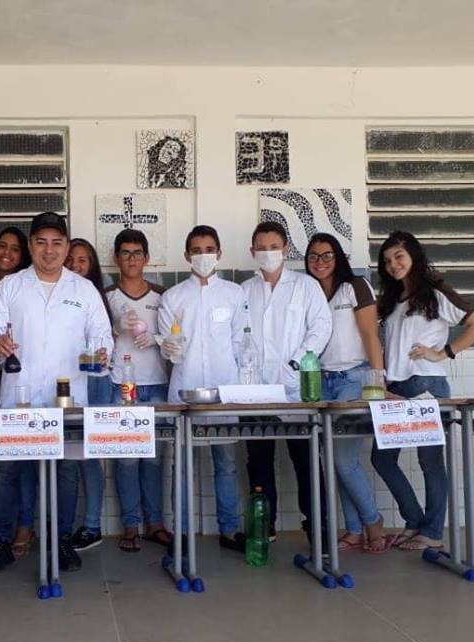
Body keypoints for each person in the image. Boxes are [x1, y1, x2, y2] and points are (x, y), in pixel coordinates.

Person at [0, 212, 113, 574]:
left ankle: (61, 541)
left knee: (66, 471)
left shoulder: (83, 290)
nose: (49, 250)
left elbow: (102, 335)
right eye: (41, 242)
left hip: (66, 398)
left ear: (66, 247)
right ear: (31, 245)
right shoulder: (11, 286)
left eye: (57, 243)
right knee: (8, 471)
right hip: (18, 397)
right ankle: (1, 541)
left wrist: (103, 352)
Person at [373, 230, 474, 551]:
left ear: (414, 255)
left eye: (399, 256)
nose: (394, 265)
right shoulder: (392, 299)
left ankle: (433, 532)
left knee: (431, 463)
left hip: (426, 384)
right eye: (387, 260)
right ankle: (414, 521)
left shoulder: (436, 293)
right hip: (396, 388)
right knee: (382, 460)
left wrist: (443, 353)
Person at [242, 221, 332, 547]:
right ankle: (265, 526)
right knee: (259, 462)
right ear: (253, 252)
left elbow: (321, 326)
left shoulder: (305, 286)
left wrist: (298, 361)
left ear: (286, 250)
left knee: (306, 461)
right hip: (255, 391)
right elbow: (237, 336)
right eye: (261, 248)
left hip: (296, 389)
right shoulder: (244, 290)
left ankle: (318, 528)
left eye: (274, 247)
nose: (268, 253)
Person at [158, 225, 244, 552]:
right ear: (187, 255)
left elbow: (241, 342)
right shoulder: (173, 297)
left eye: (209, 250)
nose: (203, 256)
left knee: (226, 463)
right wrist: (169, 348)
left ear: (219, 253)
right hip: (186, 389)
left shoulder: (234, 294)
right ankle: (181, 533)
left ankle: (229, 530)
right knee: (182, 466)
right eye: (196, 250)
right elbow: (168, 345)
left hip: (225, 391)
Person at [304, 232, 387, 554]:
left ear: (338, 257)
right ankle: (353, 529)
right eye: (313, 256)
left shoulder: (355, 286)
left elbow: (370, 335)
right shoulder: (308, 292)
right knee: (333, 459)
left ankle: (373, 521)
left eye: (327, 255)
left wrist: (378, 382)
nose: (320, 262)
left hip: (353, 379)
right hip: (320, 381)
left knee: (343, 459)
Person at [106, 229, 172, 552]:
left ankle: (155, 523)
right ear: (116, 258)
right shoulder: (107, 297)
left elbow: (178, 337)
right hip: (122, 385)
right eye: (125, 253)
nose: (131, 259)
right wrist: (115, 328)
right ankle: (131, 525)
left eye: (137, 253)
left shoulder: (163, 296)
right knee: (127, 461)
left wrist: (158, 339)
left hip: (156, 384)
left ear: (146, 258)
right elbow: (95, 340)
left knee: (154, 460)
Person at [0, 226, 38, 558]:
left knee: (22, 461)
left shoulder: (28, 288)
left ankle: (23, 527)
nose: (7, 253)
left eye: (15, 249)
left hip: (17, 382)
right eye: (2, 246)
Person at [62, 238, 112, 552]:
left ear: (92, 265)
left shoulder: (97, 296)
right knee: (68, 458)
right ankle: (64, 531)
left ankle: (92, 525)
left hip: (96, 382)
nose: (75, 266)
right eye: (70, 260)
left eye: (82, 260)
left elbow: (105, 339)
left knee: (91, 456)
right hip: (66, 383)